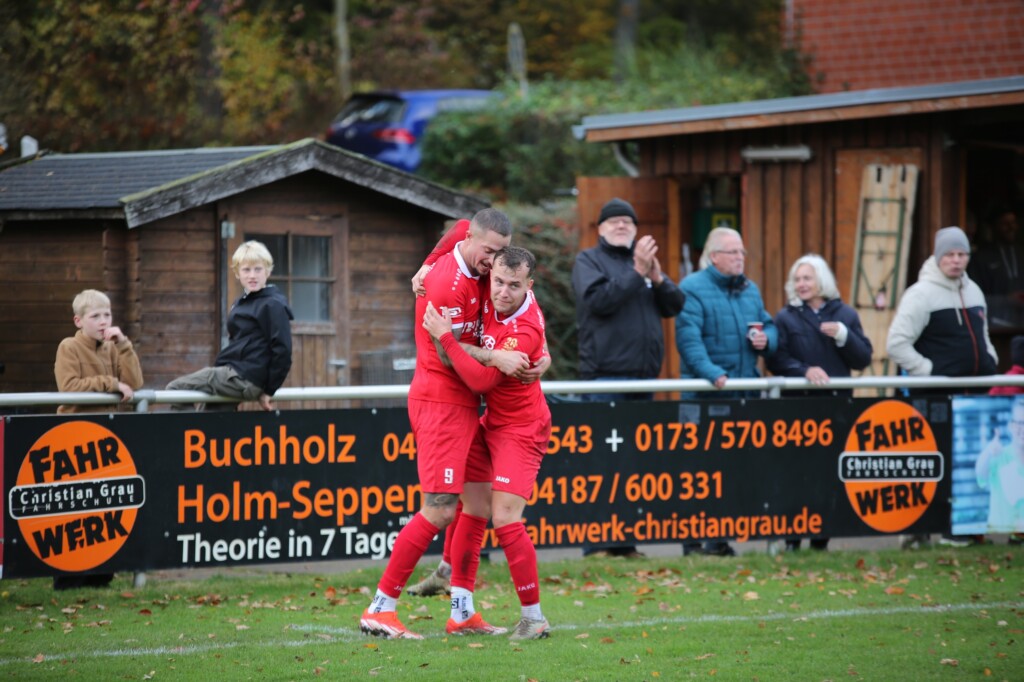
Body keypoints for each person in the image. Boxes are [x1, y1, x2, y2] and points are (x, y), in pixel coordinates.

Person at [359, 208, 518, 640]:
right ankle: (381, 608)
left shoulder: (470, 252)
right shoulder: (444, 283)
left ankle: (462, 612)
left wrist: (427, 258)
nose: (495, 262)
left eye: (501, 252)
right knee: (441, 507)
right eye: (490, 252)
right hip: (440, 402)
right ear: (472, 240)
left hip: (465, 402)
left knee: (479, 504)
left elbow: (461, 225)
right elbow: (451, 355)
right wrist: (497, 357)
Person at [404, 217, 551, 598]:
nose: (501, 290)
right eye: (498, 280)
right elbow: (465, 224)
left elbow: (483, 380)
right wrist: (428, 261)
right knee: (470, 504)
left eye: (513, 285)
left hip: (520, 426)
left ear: (527, 287)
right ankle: (453, 594)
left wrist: (447, 340)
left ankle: (533, 616)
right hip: (486, 416)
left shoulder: (524, 325)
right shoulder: (483, 272)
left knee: (499, 516)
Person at [571, 197, 684, 558]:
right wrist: (636, 272)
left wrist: (656, 277)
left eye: (628, 222)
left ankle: (626, 542)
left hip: (643, 381)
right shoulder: (588, 261)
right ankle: (598, 543)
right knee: (603, 464)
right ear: (600, 229)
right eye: (615, 221)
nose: (622, 226)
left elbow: (675, 305)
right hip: (605, 381)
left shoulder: (644, 265)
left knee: (635, 467)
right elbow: (599, 302)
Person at [888, 226, 997, 548]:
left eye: (962, 254)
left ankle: (965, 528)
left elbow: (984, 334)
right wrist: (930, 372)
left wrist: (989, 359)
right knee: (939, 463)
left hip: (976, 395)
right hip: (939, 397)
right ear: (938, 257)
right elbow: (896, 344)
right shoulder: (920, 295)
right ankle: (930, 530)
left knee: (972, 464)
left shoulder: (975, 291)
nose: (956, 260)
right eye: (949, 254)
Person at [676, 227, 777, 556]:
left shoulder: (751, 289)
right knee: (698, 475)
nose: (740, 258)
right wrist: (712, 374)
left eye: (742, 252)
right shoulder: (692, 288)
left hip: (741, 395)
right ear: (714, 256)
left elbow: (768, 324)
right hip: (705, 397)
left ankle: (720, 540)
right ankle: (692, 543)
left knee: (732, 471)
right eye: (733, 252)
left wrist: (767, 341)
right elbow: (689, 339)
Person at [766, 254, 873, 551]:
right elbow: (776, 360)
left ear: (821, 281)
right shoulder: (785, 317)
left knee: (828, 475)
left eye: (807, 278)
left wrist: (844, 336)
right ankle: (791, 541)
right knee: (796, 474)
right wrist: (804, 371)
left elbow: (863, 358)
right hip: (797, 409)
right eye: (797, 279)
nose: (801, 284)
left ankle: (820, 542)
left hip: (836, 408)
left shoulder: (846, 315)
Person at [53, 288, 144, 588]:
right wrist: (111, 383)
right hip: (73, 435)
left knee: (104, 505)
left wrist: (125, 346)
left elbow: (135, 383)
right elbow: (69, 386)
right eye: (95, 316)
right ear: (79, 321)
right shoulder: (68, 347)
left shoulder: (112, 348)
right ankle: (67, 576)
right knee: (73, 508)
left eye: (107, 315)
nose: (103, 321)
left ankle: (101, 573)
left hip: (105, 436)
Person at [166, 240, 292, 411]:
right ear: (237, 273)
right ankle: (196, 435)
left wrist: (270, 390)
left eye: (258, 269)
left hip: (246, 378)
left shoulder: (272, 304)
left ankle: (183, 435)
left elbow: (283, 350)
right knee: (210, 417)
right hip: (234, 373)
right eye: (246, 270)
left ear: (268, 271)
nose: (252, 275)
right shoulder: (243, 302)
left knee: (175, 389)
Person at [975, 394, 1024, 541]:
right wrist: (989, 452)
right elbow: (980, 476)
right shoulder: (998, 454)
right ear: (1010, 426)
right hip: (999, 536)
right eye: (1019, 423)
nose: (1022, 429)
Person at [968, 205, 1023, 325]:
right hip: (995, 325)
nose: (1011, 227)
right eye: (1005, 223)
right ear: (994, 227)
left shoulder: (1021, 253)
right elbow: (973, 296)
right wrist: (1007, 300)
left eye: (1013, 222)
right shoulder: (981, 258)